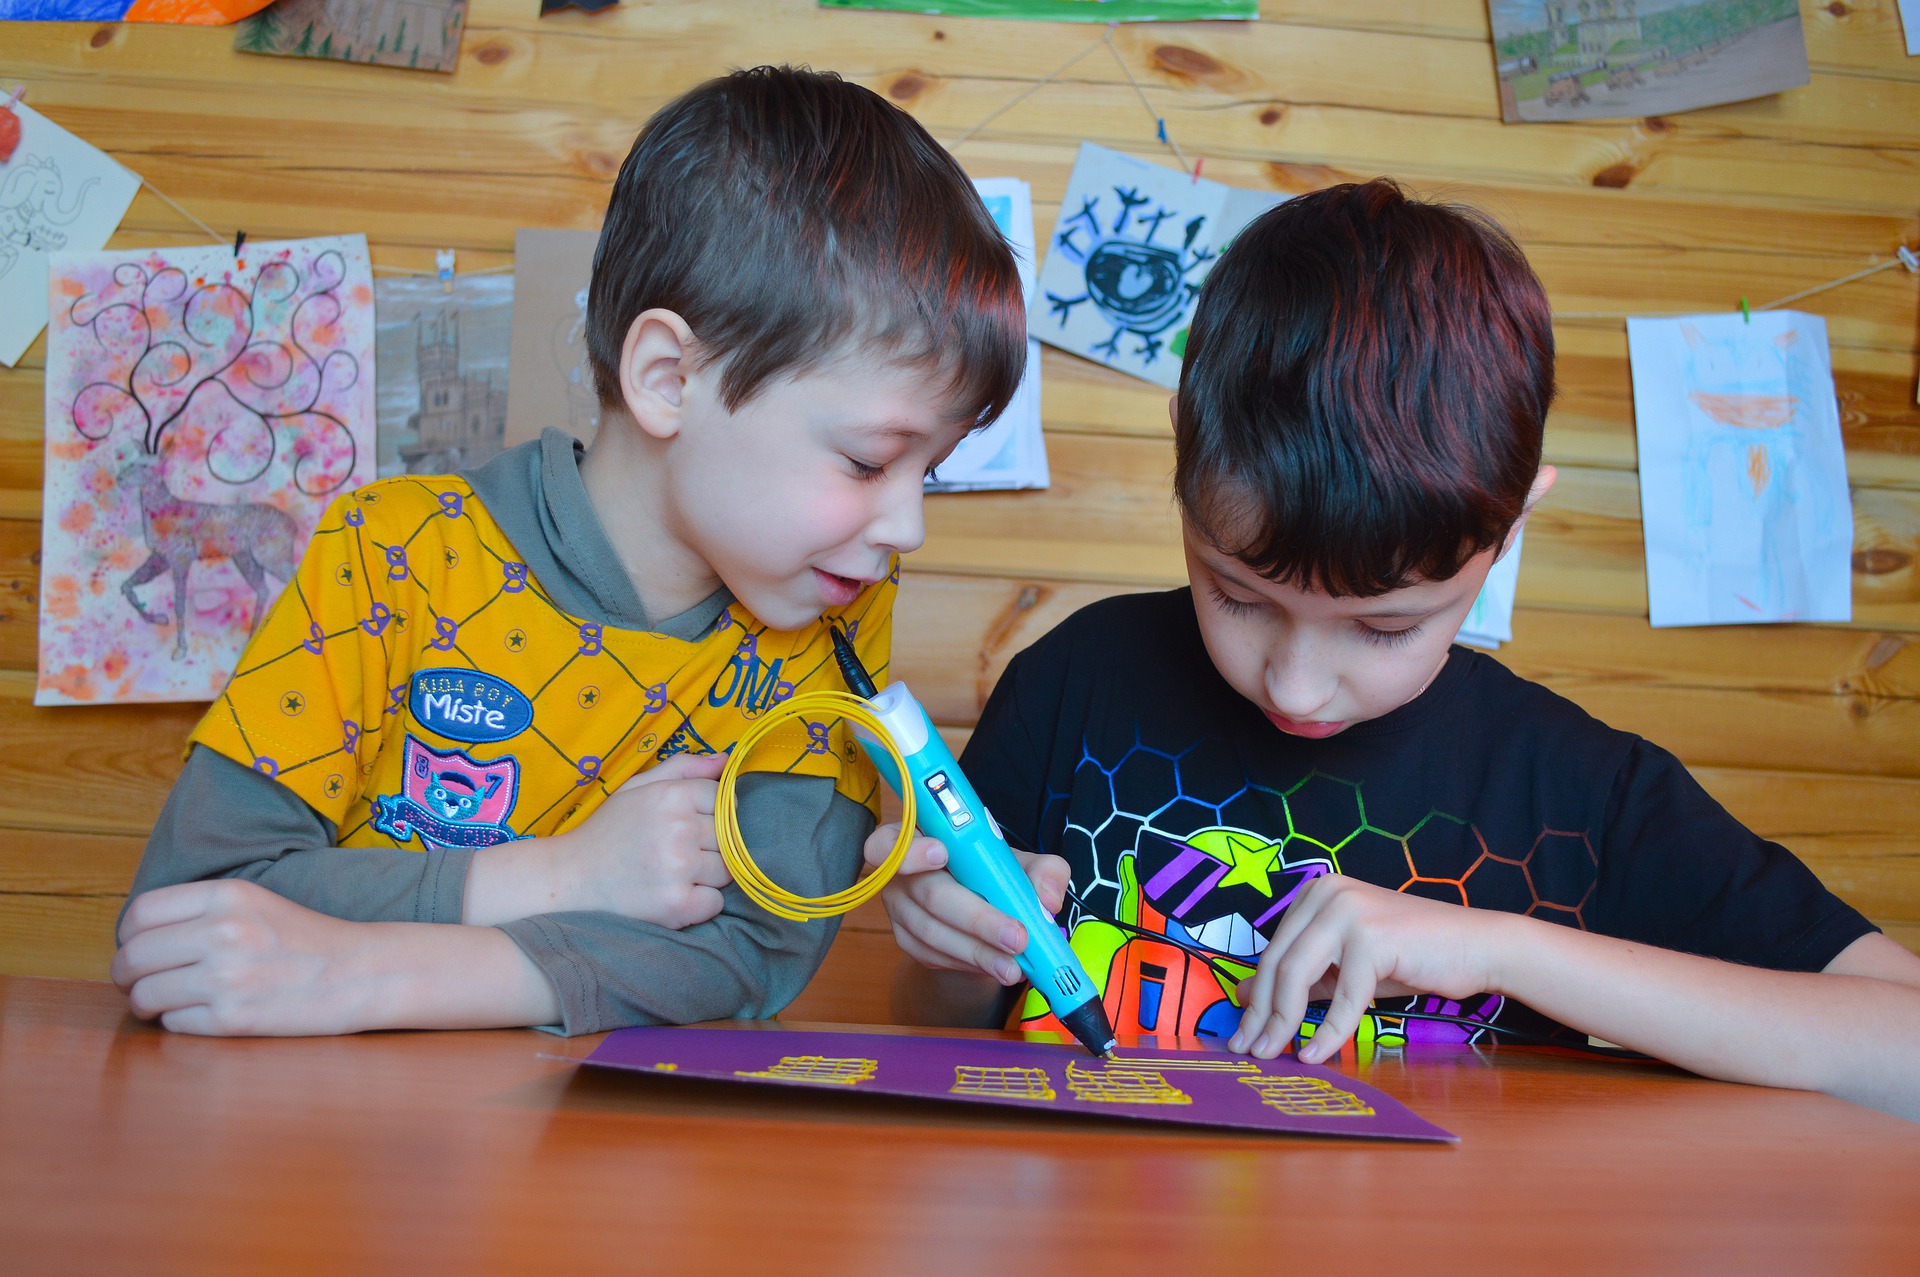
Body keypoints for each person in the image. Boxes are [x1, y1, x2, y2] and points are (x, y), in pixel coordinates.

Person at [869, 180, 1920, 1117]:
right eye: (1236, 593)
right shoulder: (1076, 682)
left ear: (1508, 529)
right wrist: (946, 944)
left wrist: (1505, 947)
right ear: (1185, 479)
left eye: (1384, 626)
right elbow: (951, 1017)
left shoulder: (1577, 790)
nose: (1294, 680)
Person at [110, 66, 1026, 1037]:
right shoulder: (390, 551)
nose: (907, 525)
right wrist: (555, 876)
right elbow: (186, 912)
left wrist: (370, 969)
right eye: (868, 458)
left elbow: (751, 952)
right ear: (670, 378)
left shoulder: (832, 605)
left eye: (931, 471)